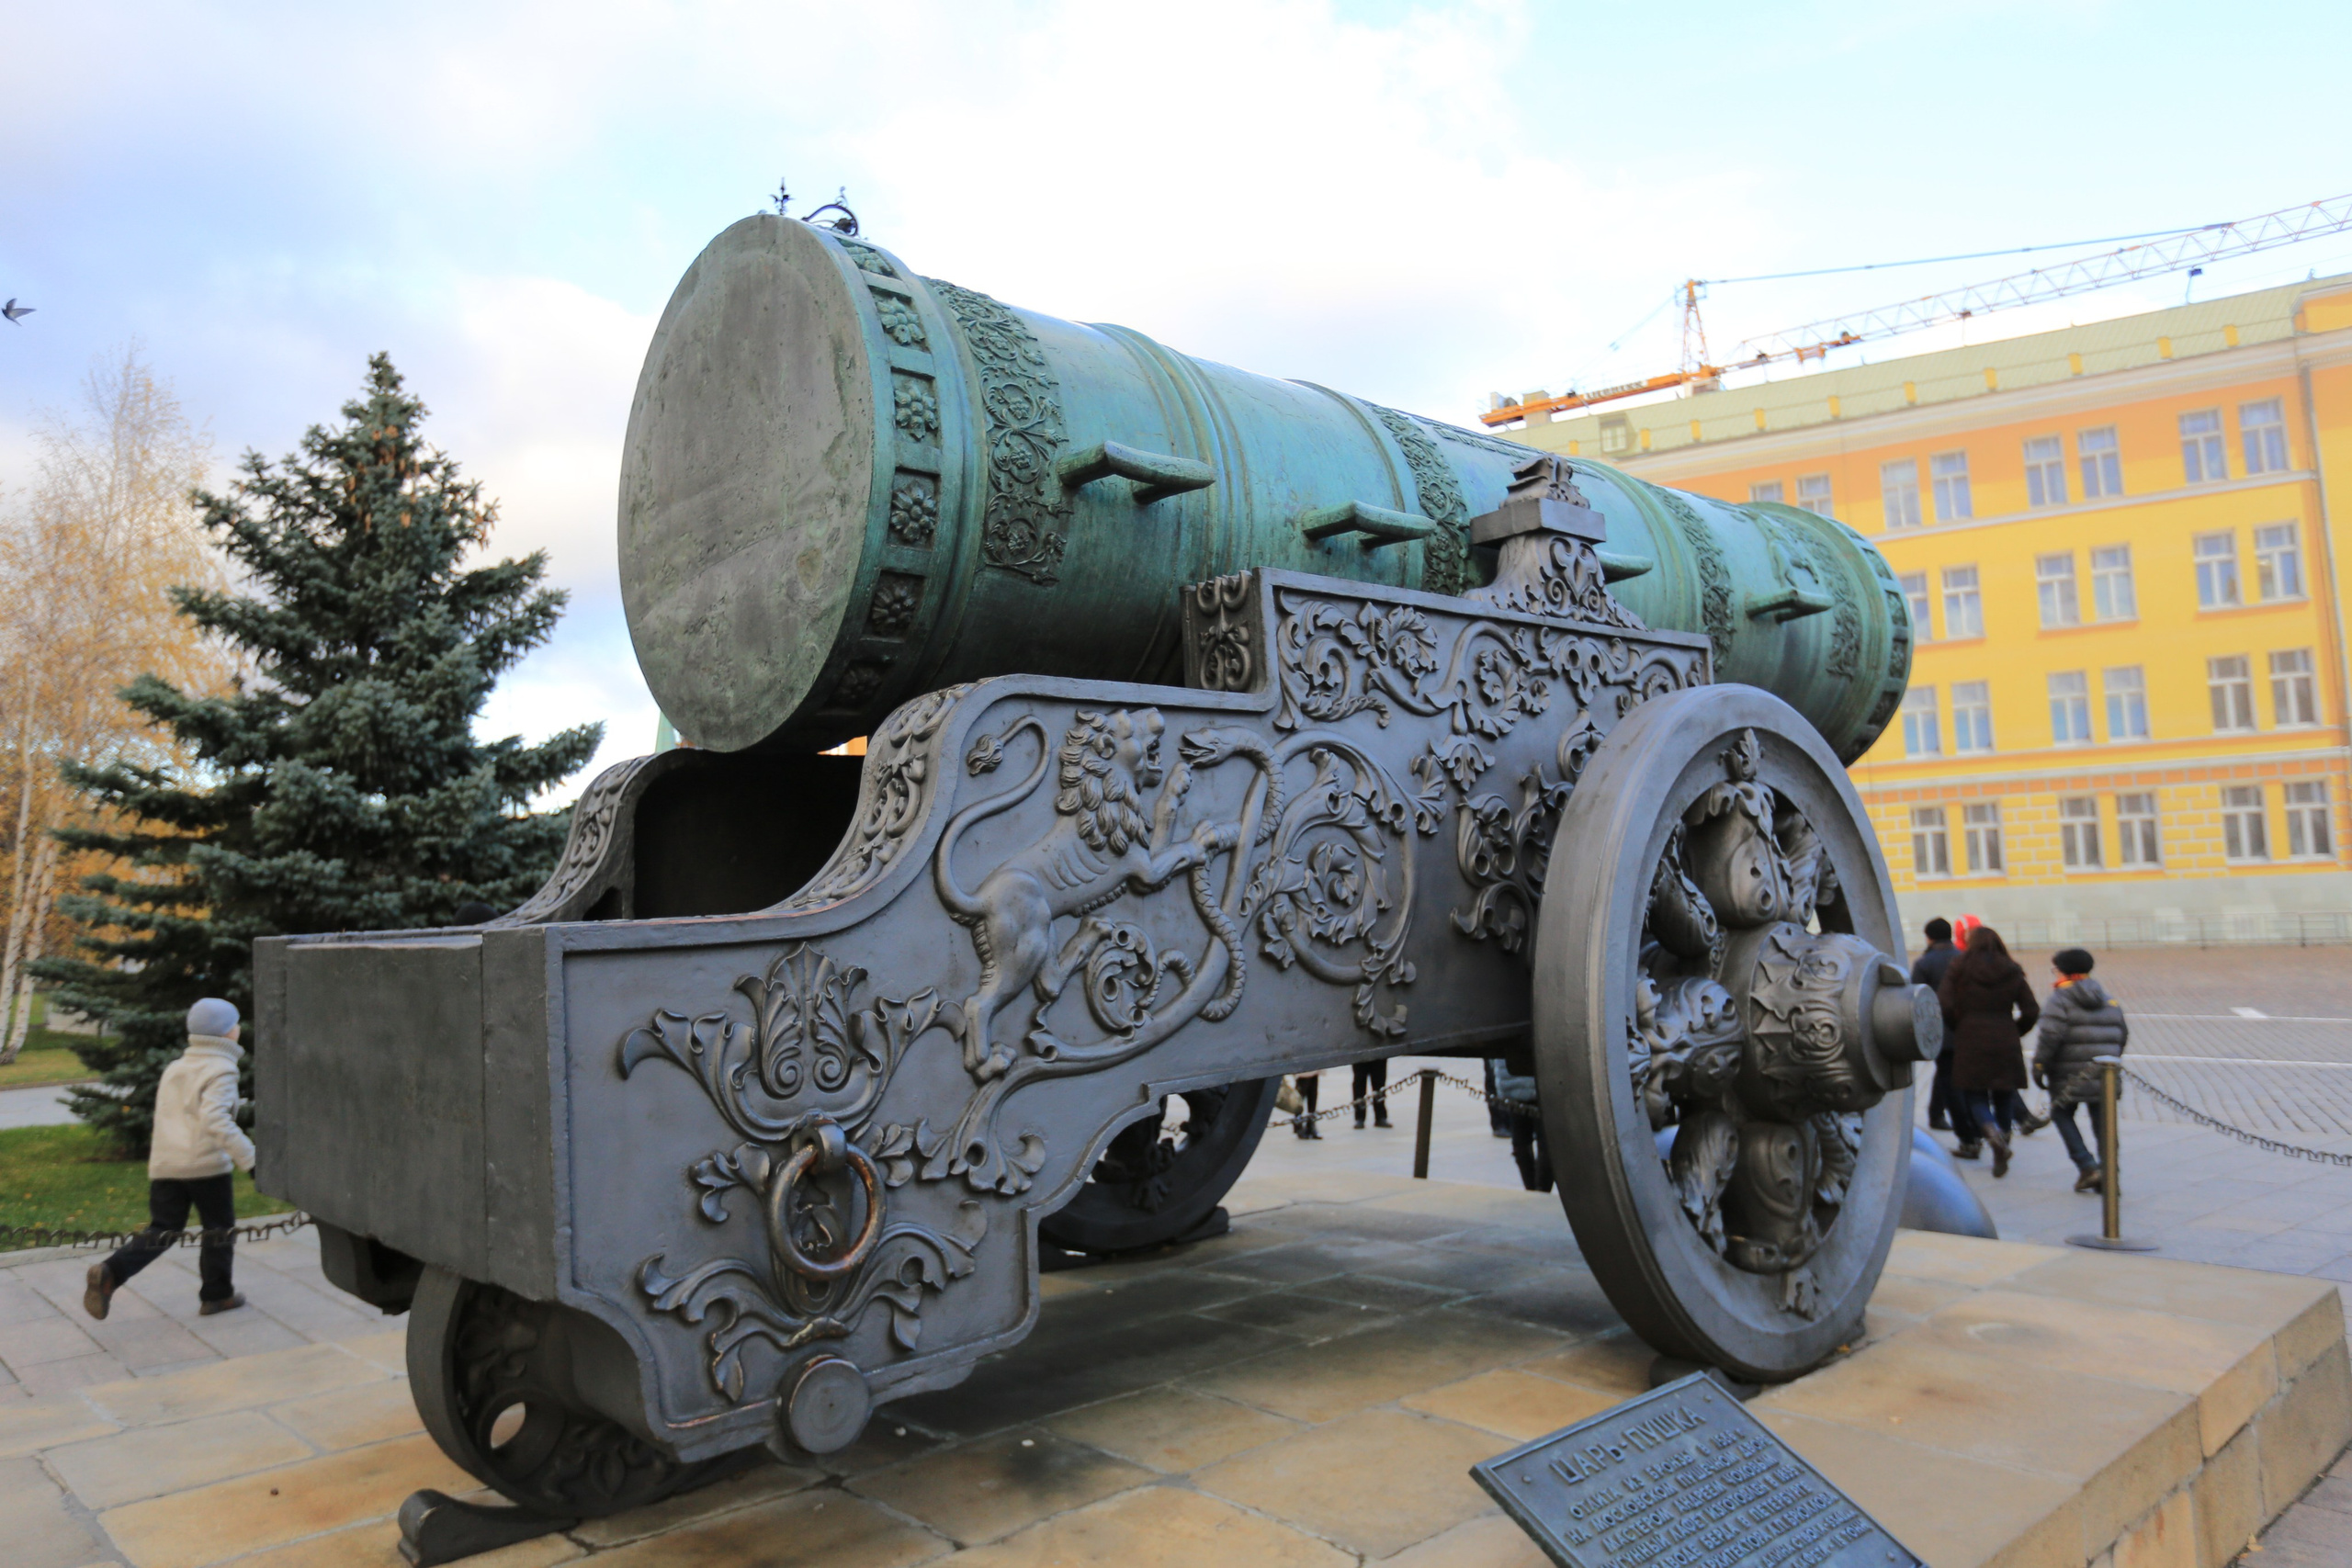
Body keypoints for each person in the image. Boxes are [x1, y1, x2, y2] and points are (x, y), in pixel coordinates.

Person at [85, 998, 255, 1319]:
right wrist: (251, 1160)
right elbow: (215, 1121)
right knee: (219, 1230)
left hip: (167, 1164)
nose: (238, 1028)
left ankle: (111, 1271)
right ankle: (217, 1296)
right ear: (225, 1033)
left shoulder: (176, 1067)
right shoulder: (222, 1068)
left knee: (162, 1230)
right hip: (205, 1167)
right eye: (235, 1023)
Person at [1937, 927, 2040, 1178]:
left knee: (1975, 1095)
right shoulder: (2011, 968)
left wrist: (1958, 1025)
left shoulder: (1959, 967)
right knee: (2004, 1093)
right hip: (2005, 1035)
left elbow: (1944, 1004)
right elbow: (2031, 1010)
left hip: (1970, 1034)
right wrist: (2016, 1030)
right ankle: (2002, 1141)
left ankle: (1991, 1133)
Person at [2035, 948, 2128, 1193]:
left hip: (2069, 1074)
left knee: (2060, 1112)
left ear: (2062, 970)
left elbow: (2049, 1036)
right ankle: (2110, 1176)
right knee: (2104, 1124)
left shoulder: (2059, 999)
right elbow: (2122, 1034)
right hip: (2104, 1072)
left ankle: (2087, 1166)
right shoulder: (2107, 998)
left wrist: (2040, 1065)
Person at [1911, 919, 1963, 1138]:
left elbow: (1914, 996)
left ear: (1929, 937)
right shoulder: (1962, 959)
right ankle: (1940, 1114)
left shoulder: (1925, 962)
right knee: (1948, 1072)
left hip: (1936, 1024)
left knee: (1945, 1071)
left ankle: (1937, 1114)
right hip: (1963, 1023)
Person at [1489, 1058, 1552, 1191]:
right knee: (1546, 1145)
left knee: (1522, 1144)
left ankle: (1533, 1189)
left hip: (1512, 1084)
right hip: (1539, 1085)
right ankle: (1541, 1190)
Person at [1352, 1057, 1392, 1129]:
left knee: (1379, 1084)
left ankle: (1380, 1117)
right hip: (1360, 1052)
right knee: (1359, 1083)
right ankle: (1359, 1117)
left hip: (1379, 1052)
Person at [1290, 1068, 1323, 1139]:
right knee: (1300, 1096)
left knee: (1313, 1094)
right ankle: (1298, 1125)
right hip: (1303, 1068)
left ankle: (1311, 1124)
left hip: (1314, 1065)